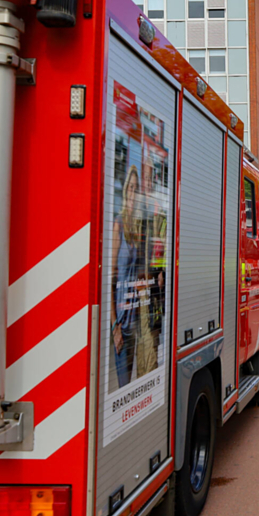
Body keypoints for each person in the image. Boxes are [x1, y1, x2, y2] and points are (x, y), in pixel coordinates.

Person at [112, 165, 141, 389]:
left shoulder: (138, 227)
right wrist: (115, 326)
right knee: (124, 385)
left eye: (136, 188)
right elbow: (111, 278)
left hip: (136, 320)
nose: (132, 192)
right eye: (130, 188)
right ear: (125, 192)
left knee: (133, 386)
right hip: (122, 319)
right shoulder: (118, 224)